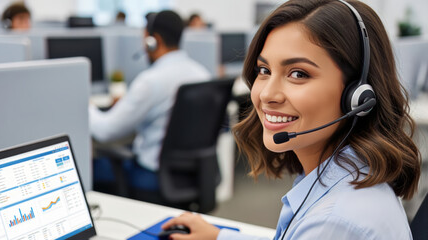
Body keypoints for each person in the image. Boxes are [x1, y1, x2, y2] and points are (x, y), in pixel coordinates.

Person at [162, 0, 421, 239]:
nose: (266, 94)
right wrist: (220, 237)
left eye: (298, 74)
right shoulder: (350, 174)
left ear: (358, 96)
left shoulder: (334, 222)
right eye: (264, 70)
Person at [89, 11, 210, 174]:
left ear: (154, 41)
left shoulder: (150, 81)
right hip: (193, 173)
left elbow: (105, 132)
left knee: (93, 168)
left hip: (152, 173)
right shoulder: (202, 73)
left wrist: (87, 107)